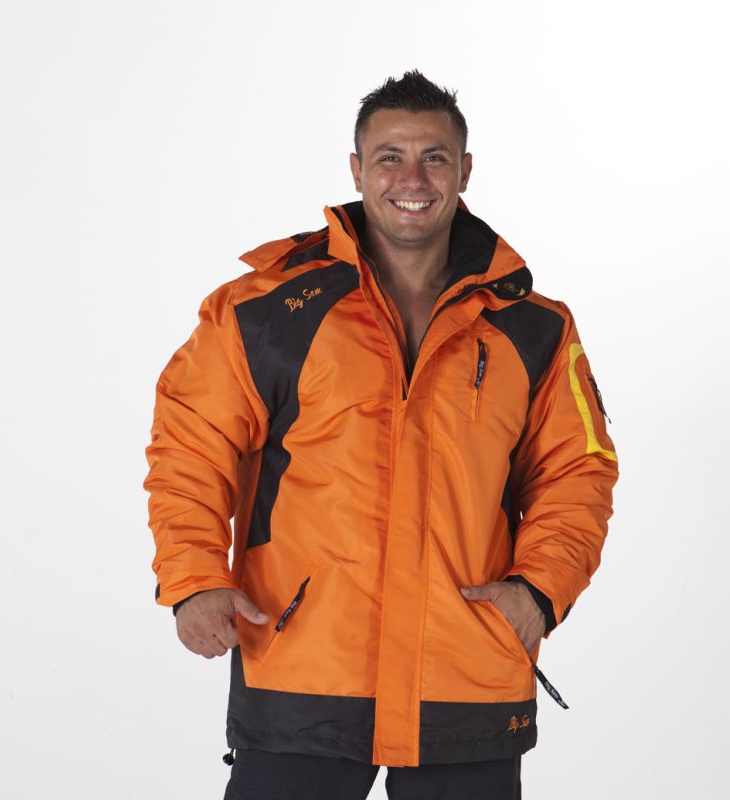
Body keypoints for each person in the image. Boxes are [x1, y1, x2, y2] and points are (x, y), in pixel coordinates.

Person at [143, 70, 619, 799]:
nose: (412, 178)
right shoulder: (267, 310)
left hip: (466, 673)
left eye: (434, 157)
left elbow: (577, 471)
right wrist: (194, 579)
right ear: (357, 169)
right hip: (303, 667)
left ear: (465, 171)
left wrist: (538, 591)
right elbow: (191, 445)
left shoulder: (533, 327)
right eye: (390, 156)